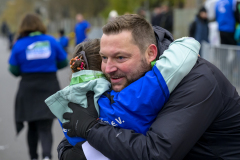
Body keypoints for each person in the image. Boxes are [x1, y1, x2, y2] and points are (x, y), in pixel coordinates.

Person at [58, 14, 240, 160]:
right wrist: (67, 151)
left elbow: (155, 152)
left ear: (151, 53)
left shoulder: (197, 82)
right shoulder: (130, 76)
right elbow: (99, 122)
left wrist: (91, 129)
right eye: (104, 58)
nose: (109, 68)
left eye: (120, 57)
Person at [45, 35, 199, 148]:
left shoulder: (65, 108)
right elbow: (184, 50)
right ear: (105, 68)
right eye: (110, 58)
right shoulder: (128, 99)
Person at [8, 13, 68, 160]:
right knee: (45, 126)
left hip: (28, 87)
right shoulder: (51, 41)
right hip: (49, 86)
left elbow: (13, 70)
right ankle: (47, 156)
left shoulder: (19, 44)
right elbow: (63, 62)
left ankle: (33, 157)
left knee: (32, 125)